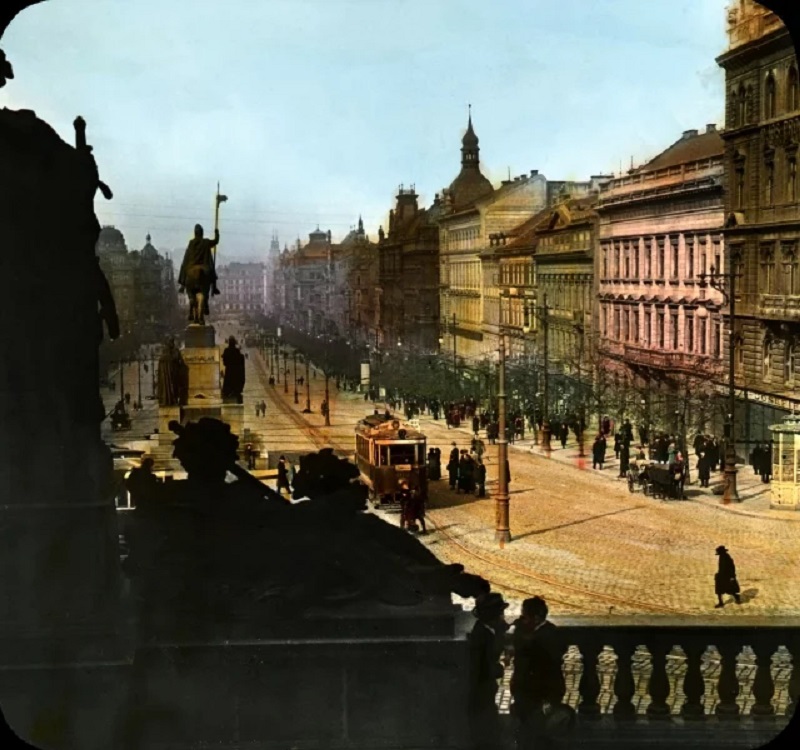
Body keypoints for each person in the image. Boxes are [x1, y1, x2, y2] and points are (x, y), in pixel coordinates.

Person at [510, 596, 569, 750]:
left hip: (541, 695)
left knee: (538, 735)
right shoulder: (543, 631)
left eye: (525, 615)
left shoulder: (547, 636)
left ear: (536, 618)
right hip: (528, 694)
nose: (522, 619)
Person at [468, 593, 509, 750]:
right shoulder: (483, 635)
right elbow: (485, 666)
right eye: (500, 612)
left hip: (483, 688)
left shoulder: (484, 630)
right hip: (482, 687)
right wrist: (500, 668)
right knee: (487, 726)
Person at [178, 223, 220, 325]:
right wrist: (217, 233)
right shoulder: (205, 242)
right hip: (204, 267)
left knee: (184, 265)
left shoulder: (191, 243)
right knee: (211, 270)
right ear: (202, 233)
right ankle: (214, 287)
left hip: (191, 267)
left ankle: (183, 286)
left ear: (195, 233)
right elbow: (215, 241)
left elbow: (186, 257)